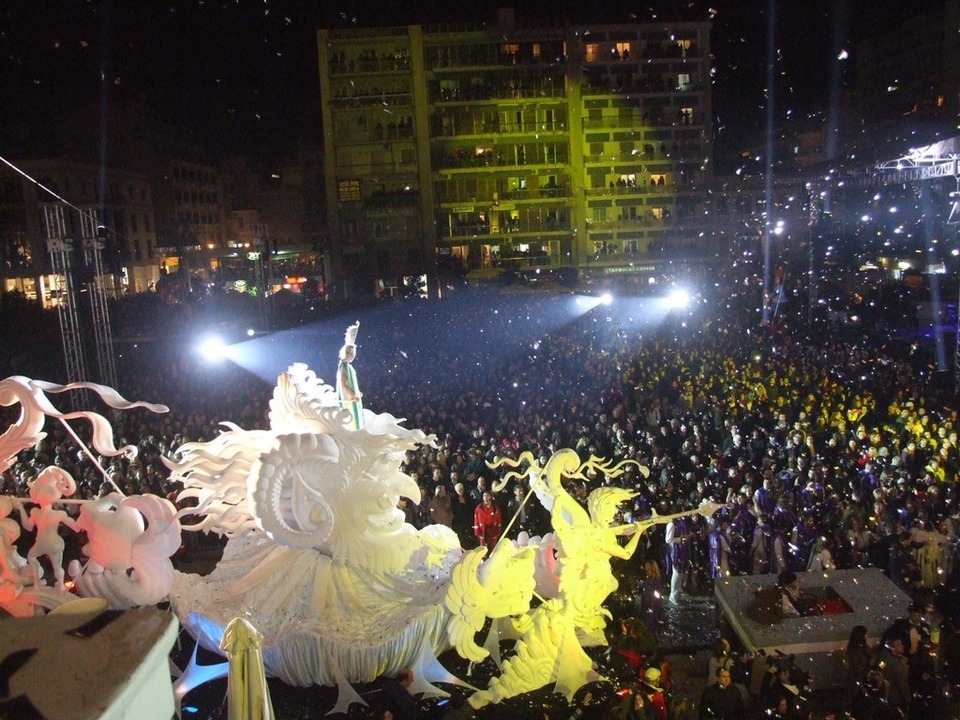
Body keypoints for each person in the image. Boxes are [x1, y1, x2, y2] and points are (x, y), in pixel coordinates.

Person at [337, 321, 363, 430]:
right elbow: (344, 385)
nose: (353, 355)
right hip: (349, 400)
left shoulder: (348, 366)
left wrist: (357, 393)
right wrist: (354, 396)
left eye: (353, 353)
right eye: (351, 353)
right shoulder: (343, 365)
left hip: (353, 399)